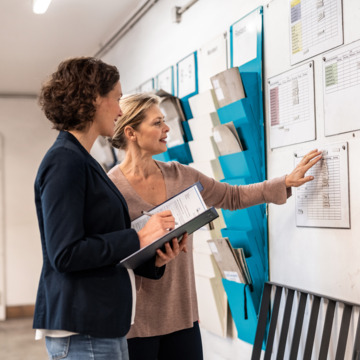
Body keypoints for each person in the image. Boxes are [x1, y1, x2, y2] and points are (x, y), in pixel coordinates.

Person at [108, 93, 322, 360]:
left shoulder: (181, 175)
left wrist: (285, 182)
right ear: (131, 132)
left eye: (164, 121)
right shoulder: (109, 187)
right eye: (157, 123)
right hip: (135, 324)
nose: (167, 129)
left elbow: (232, 196)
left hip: (182, 317)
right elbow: (109, 254)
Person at [33, 57, 188, 360]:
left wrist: (152, 258)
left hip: (101, 325)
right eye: (117, 98)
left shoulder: (83, 160)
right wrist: (140, 237)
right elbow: (66, 253)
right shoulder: (64, 162)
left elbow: (102, 242)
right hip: (83, 329)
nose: (120, 110)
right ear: (94, 99)